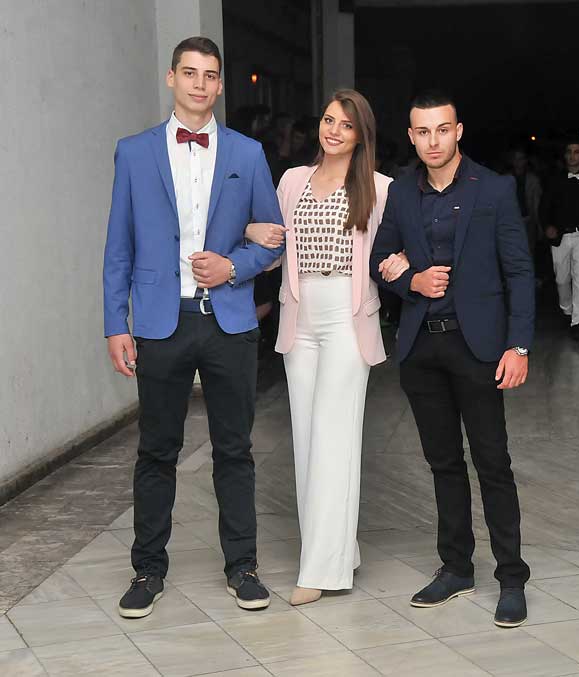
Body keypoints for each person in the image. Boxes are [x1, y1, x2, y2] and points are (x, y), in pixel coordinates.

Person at [103, 37, 282, 618]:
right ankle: (147, 570)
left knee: (235, 450)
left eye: (210, 75)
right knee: (157, 450)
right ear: (171, 78)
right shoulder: (134, 153)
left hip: (228, 322)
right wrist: (115, 323)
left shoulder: (248, 154)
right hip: (161, 322)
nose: (200, 84)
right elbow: (119, 245)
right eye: (190, 73)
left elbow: (273, 240)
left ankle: (242, 567)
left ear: (220, 85)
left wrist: (234, 266)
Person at [369, 91, 534, 628]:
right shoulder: (401, 192)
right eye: (423, 132)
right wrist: (411, 281)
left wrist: (519, 345)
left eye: (442, 130)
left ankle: (511, 577)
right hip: (422, 347)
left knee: (492, 463)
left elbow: (519, 272)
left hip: (478, 347)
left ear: (458, 131)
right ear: (411, 136)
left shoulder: (494, 188)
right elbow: (379, 258)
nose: (433, 141)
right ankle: (457, 568)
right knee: (443, 463)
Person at [244, 90, 393, 606]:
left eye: (346, 125)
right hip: (299, 316)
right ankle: (336, 550)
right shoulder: (292, 181)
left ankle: (321, 570)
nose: (334, 131)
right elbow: (276, 251)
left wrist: (404, 266)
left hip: (347, 320)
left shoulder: (379, 188)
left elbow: (395, 249)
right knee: (308, 441)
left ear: (361, 135)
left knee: (334, 439)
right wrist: (250, 232)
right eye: (330, 120)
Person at [542, 139, 579, 340]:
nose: (572, 155)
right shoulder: (554, 179)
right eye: (569, 151)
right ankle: (567, 309)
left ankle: (578, 321)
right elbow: (544, 206)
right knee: (561, 278)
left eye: (577, 151)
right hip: (560, 236)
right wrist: (547, 226)